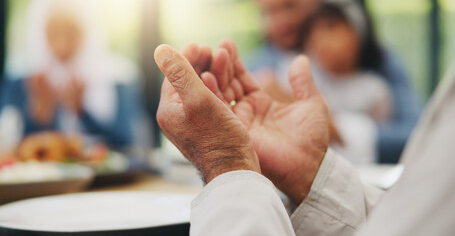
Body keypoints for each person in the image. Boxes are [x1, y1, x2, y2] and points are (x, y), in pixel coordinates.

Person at [154, 40, 455, 235]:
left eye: (289, 5)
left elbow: (409, 133)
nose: (277, 24)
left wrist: (226, 162)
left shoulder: (382, 64)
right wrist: (313, 177)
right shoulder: (262, 59)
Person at [248, 0, 421, 163]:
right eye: (266, 12)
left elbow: (416, 136)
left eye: (289, 6)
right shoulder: (259, 70)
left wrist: (331, 125)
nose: (280, 22)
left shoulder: (376, 62)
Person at [0, 0, 141, 149]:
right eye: (53, 33)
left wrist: (82, 112)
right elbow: (12, 148)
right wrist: (41, 117)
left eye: (71, 32)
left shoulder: (118, 78)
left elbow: (127, 143)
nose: (62, 46)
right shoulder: (25, 83)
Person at [302, 0, 393, 164]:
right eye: (313, 32)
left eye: (331, 28)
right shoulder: (308, 82)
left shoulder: (374, 90)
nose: (320, 40)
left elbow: (380, 142)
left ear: (357, 34)